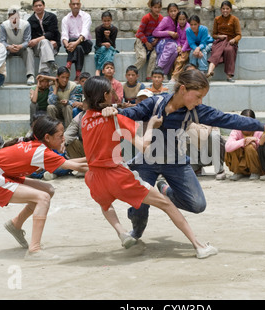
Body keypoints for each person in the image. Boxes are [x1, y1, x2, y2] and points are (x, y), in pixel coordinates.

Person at [106, 69, 265, 241]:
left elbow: (229, 118)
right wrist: (115, 111)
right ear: (183, 89)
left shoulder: (196, 111)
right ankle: (137, 227)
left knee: (197, 204)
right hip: (147, 161)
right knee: (139, 210)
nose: (200, 101)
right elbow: (132, 112)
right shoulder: (156, 103)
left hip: (176, 163)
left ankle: (164, 191)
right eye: (198, 96)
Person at [81, 75, 218, 258]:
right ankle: (199, 245)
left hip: (94, 178)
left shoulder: (84, 119)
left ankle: (122, 233)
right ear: (106, 95)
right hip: (116, 174)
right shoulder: (115, 119)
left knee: (105, 206)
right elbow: (144, 146)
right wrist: (152, 124)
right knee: (166, 204)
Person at [0, 115, 88, 260]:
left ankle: (15, 224)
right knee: (42, 198)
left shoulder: (39, 146)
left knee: (48, 190)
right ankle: (34, 250)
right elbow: (77, 166)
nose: (64, 139)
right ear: (47, 137)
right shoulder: (41, 152)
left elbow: (71, 163)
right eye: (60, 136)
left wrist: (96, 158)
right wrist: (104, 163)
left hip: (1, 174)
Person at [206, 1, 242, 82]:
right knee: (218, 51)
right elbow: (214, 35)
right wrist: (219, 36)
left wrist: (234, 40)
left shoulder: (235, 19)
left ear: (231, 10)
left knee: (228, 50)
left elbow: (239, 35)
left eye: (227, 9)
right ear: (220, 10)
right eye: (223, 9)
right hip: (220, 42)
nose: (225, 10)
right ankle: (210, 71)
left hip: (230, 43)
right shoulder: (217, 19)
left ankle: (229, 76)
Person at [224, 108, 263, 181]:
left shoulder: (258, 130)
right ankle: (238, 172)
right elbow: (227, 147)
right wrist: (244, 141)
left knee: (250, 147)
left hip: (255, 162)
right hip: (240, 160)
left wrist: (255, 140)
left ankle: (255, 172)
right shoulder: (236, 130)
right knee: (233, 147)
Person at [0, 6, 35, 86]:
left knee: (29, 51)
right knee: (0, 51)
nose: (14, 20)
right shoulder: (4, 25)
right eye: (12, 18)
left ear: (19, 17)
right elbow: (2, 41)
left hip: (22, 48)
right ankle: (0, 77)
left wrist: (20, 46)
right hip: (9, 48)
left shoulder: (26, 24)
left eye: (16, 17)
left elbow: (27, 41)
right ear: (8, 18)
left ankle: (30, 76)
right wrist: (9, 47)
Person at [61, 0, 93, 82]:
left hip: (85, 44)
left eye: (77, 4)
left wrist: (75, 43)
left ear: (80, 5)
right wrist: (67, 45)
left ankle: (69, 63)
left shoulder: (86, 16)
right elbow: (64, 35)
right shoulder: (66, 19)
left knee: (75, 42)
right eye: (73, 4)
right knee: (78, 48)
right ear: (70, 5)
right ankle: (78, 75)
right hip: (71, 46)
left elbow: (85, 32)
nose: (75, 6)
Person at [27, 0, 61, 75]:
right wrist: (36, 41)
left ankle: (43, 72)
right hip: (37, 48)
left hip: (53, 46)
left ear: (44, 6)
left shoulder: (52, 17)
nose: (38, 7)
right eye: (36, 6)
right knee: (44, 42)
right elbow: (30, 37)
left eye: (40, 5)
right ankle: (51, 63)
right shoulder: (30, 21)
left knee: (45, 44)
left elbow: (53, 33)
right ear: (33, 8)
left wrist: (57, 43)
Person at [134, 0, 163, 81]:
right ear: (151, 7)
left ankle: (149, 77)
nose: (157, 9)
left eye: (159, 7)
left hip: (153, 41)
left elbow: (161, 32)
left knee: (154, 56)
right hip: (141, 39)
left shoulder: (161, 18)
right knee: (142, 57)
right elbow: (139, 32)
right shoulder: (146, 18)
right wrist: (146, 42)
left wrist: (157, 40)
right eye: (155, 7)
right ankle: (132, 72)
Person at [152, 3, 179, 77]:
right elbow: (155, 32)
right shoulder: (166, 20)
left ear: (178, 11)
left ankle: (164, 73)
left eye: (175, 11)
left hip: (174, 43)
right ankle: (158, 68)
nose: (173, 13)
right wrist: (169, 33)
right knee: (172, 47)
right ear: (168, 12)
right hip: (163, 43)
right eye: (171, 11)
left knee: (175, 52)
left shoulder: (179, 20)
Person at [94, 11, 118, 77]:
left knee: (108, 52)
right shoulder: (98, 29)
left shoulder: (114, 29)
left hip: (110, 48)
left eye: (108, 20)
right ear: (102, 20)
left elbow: (113, 44)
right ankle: (104, 71)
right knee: (103, 49)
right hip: (99, 48)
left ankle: (98, 70)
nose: (106, 22)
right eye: (105, 21)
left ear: (111, 20)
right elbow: (98, 43)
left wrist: (107, 37)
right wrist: (104, 43)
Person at [170, 11, 190, 82]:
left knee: (180, 60)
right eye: (180, 19)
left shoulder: (188, 27)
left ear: (186, 19)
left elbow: (188, 40)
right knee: (174, 58)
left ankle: (174, 76)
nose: (182, 21)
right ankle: (176, 76)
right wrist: (178, 46)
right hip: (180, 47)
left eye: (183, 19)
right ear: (177, 20)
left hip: (187, 48)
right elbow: (178, 38)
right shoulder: (178, 27)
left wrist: (183, 49)